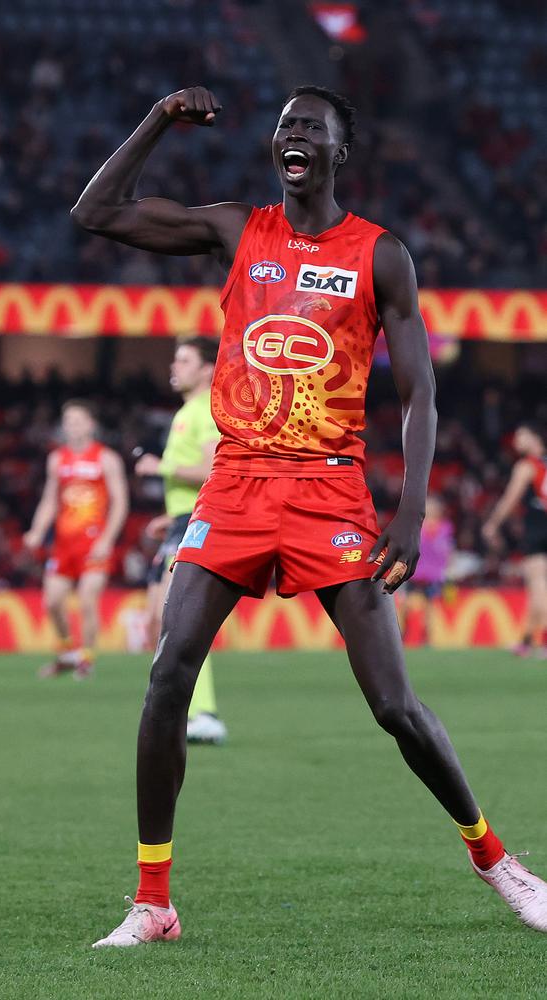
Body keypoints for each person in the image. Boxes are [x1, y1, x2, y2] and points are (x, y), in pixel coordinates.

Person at [72, 85, 547, 946]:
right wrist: (156, 121)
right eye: (285, 126)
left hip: (330, 491)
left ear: (338, 152)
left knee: (395, 705)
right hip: (237, 484)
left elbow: (420, 393)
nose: (294, 137)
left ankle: (498, 863)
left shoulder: (382, 255)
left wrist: (409, 513)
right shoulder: (234, 230)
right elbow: (98, 211)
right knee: (168, 672)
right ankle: (153, 900)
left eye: (311, 129)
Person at [137, 336, 228, 744]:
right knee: (160, 619)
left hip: (197, 525)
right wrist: (169, 515)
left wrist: (162, 466)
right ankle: (178, 708)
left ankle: (202, 712)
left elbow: (214, 468)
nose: (175, 366)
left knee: (180, 621)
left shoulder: (207, 409)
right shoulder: (188, 411)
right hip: (181, 521)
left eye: (184, 359)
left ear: (208, 368)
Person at [23, 400, 129, 678]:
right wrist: (36, 530)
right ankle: (68, 652)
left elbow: (120, 502)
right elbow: (49, 500)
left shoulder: (107, 459)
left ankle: (86, 658)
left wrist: (107, 539)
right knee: (52, 602)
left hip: (94, 543)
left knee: (87, 599)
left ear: (91, 425)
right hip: (63, 544)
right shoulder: (57, 459)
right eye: (68, 421)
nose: (72, 426)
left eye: (78, 420)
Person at [482, 422, 547, 657]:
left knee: (538, 586)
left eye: (522, 436)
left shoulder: (526, 466)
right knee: (537, 588)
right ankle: (527, 641)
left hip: (537, 528)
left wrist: (493, 524)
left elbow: (511, 498)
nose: (516, 441)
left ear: (535, 438)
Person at [398, 494, 454, 644]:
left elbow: (447, 551)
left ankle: (426, 637)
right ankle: (402, 633)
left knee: (430, 606)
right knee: (404, 604)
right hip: (414, 572)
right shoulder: (416, 526)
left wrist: (448, 568)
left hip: (433, 574)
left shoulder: (445, 528)